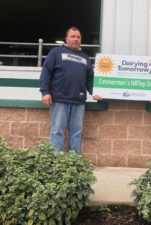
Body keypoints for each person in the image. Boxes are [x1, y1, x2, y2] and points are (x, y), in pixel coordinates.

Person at [39, 26, 102, 154]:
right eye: (72, 36)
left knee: (76, 132)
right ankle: (57, 161)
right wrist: (45, 92)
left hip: (78, 101)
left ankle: (74, 161)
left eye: (78, 37)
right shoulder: (56, 52)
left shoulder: (85, 58)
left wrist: (95, 93)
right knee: (57, 130)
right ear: (66, 39)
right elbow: (46, 72)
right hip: (59, 99)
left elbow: (90, 79)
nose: (76, 39)